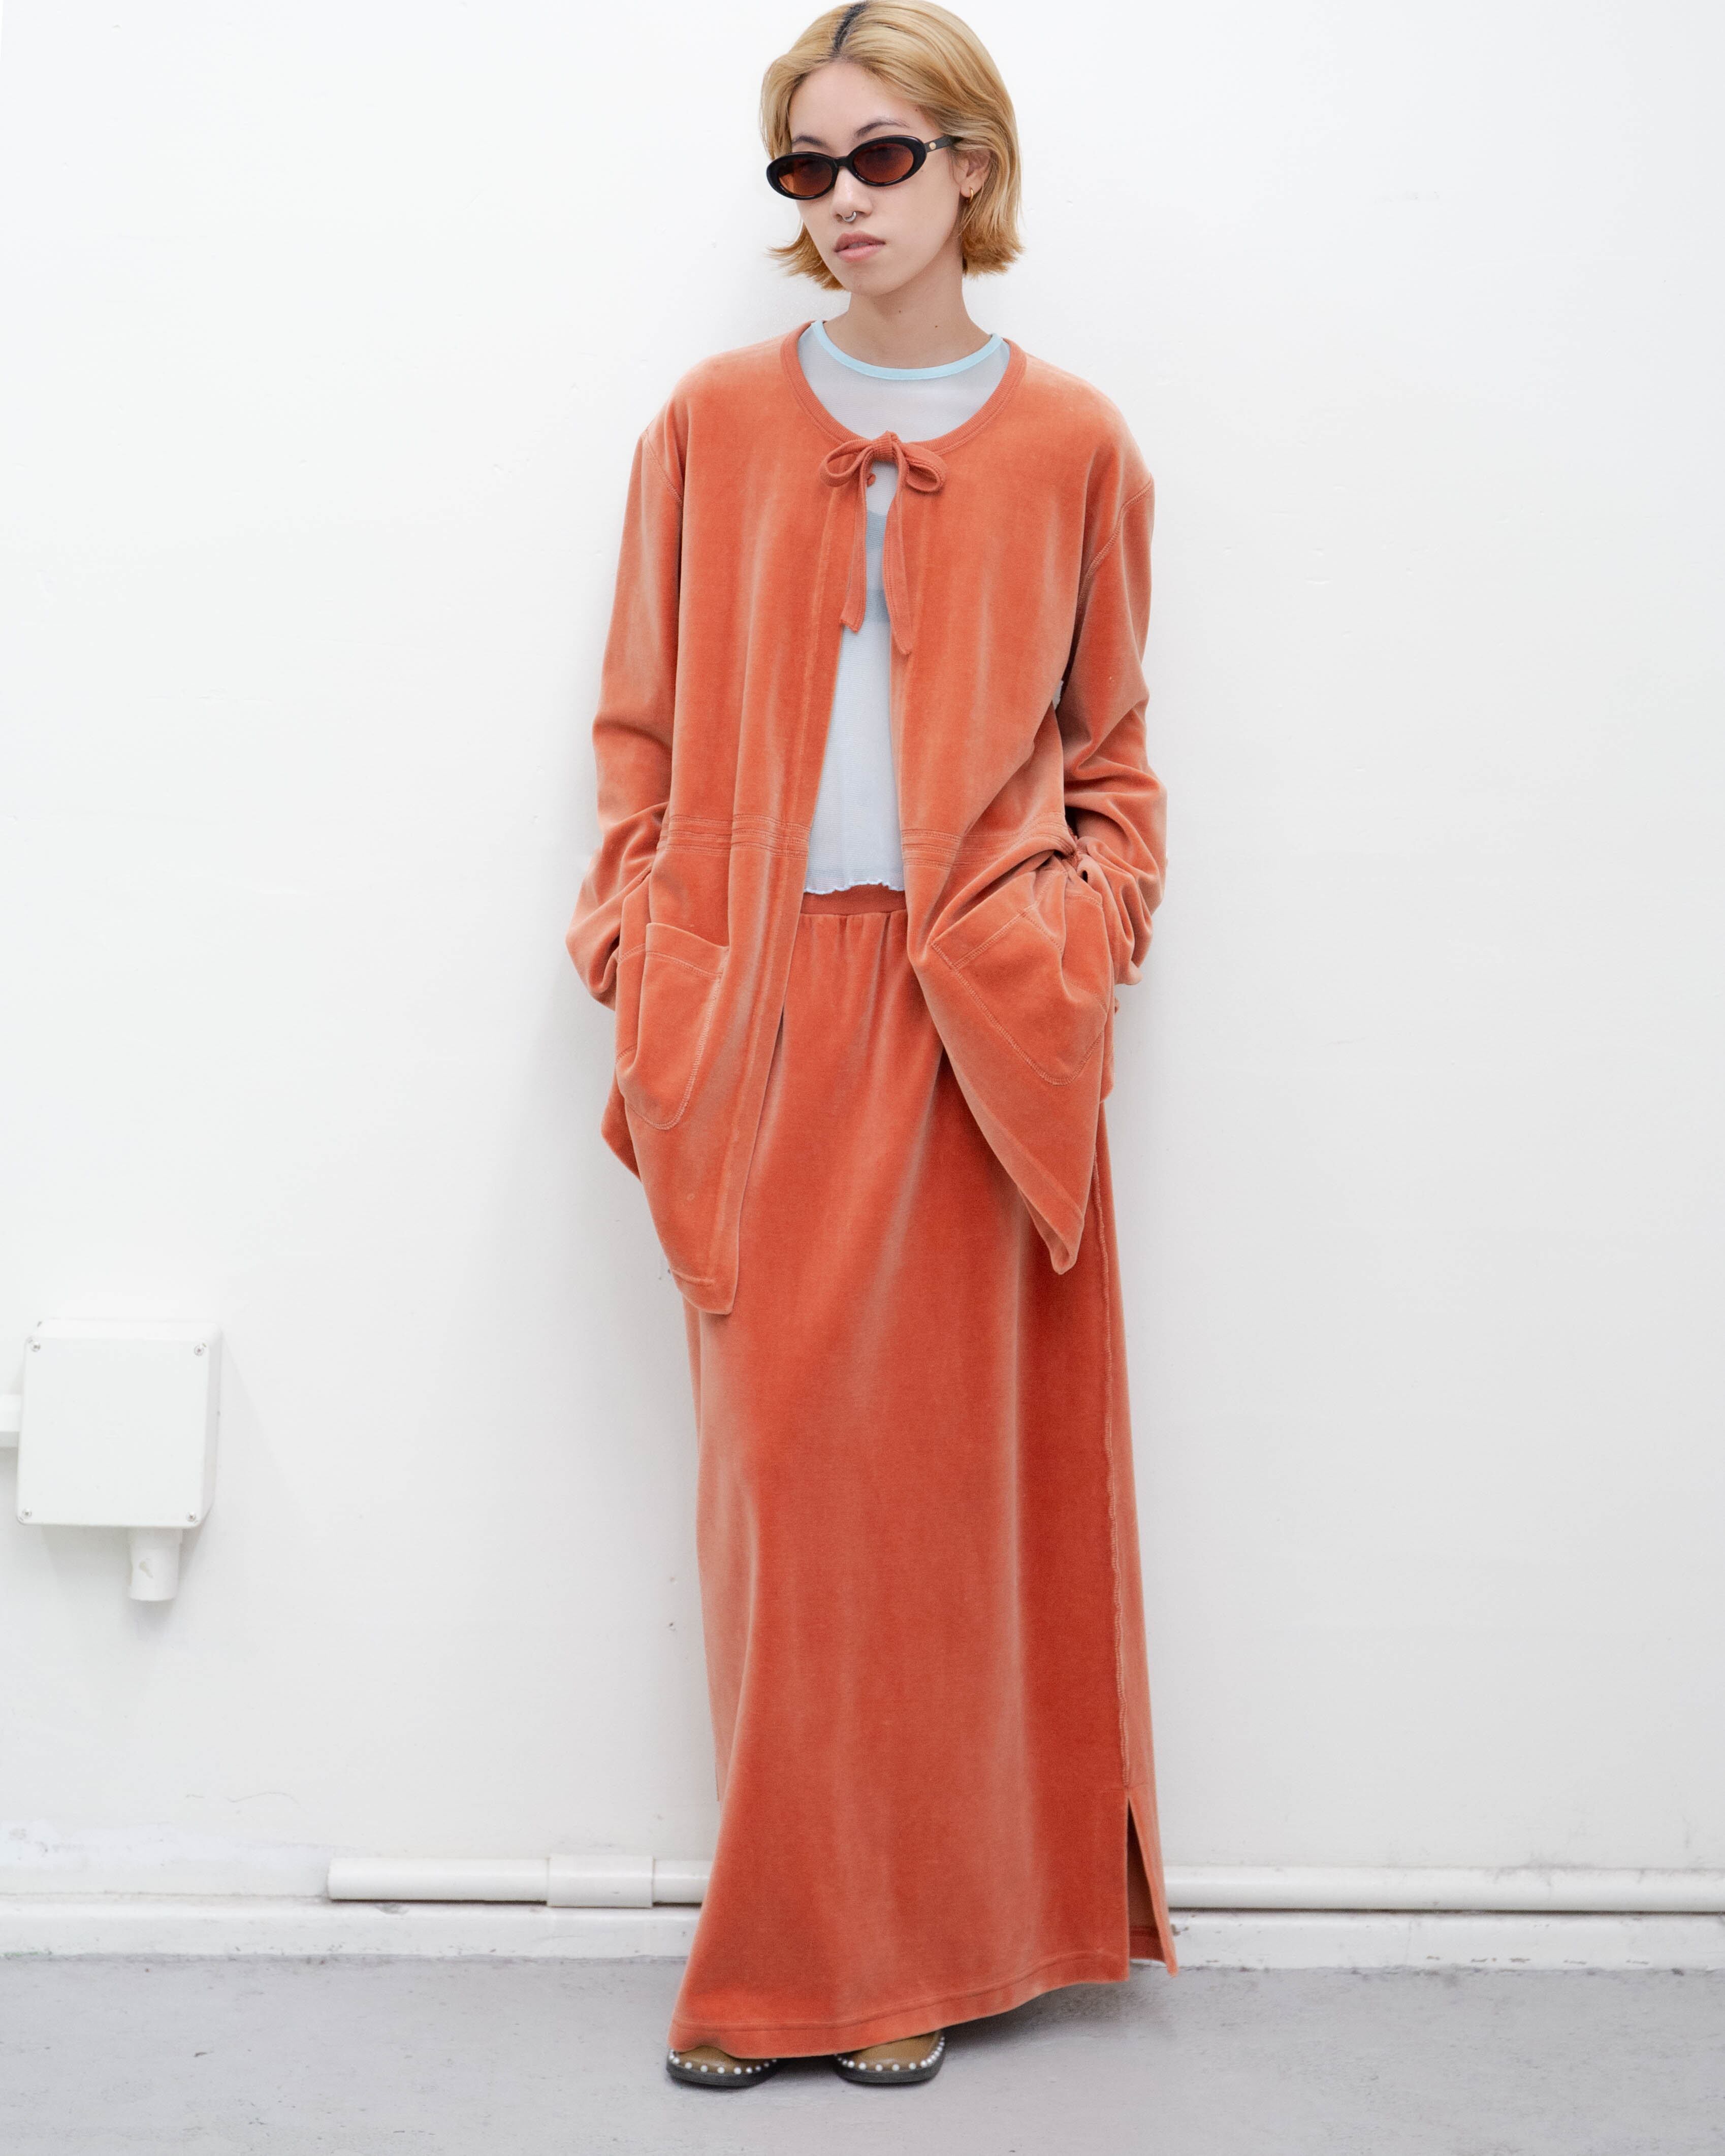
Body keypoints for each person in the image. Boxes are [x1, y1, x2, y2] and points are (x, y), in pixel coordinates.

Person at [565, 0, 1178, 2093]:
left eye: (884, 156)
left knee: (934, 1514)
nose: (843, 200)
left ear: (971, 168)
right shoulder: (712, 425)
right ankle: (802, 1950)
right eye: (807, 166)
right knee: (787, 1491)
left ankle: (908, 1951)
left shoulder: (1074, 441)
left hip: (982, 1022)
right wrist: (636, 939)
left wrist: (1080, 931)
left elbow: (1115, 756)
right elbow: (637, 727)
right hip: (757, 1003)